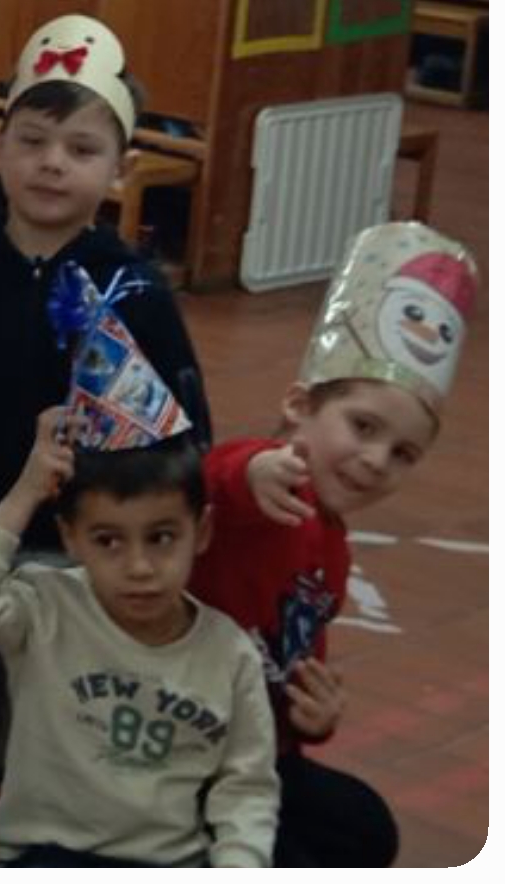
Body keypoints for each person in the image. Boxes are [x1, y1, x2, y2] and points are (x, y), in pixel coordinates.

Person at [0, 15, 212, 769]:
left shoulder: (136, 290)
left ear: (121, 167)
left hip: (79, 553)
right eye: (33, 141)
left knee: (50, 731)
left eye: (81, 149)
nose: (52, 164)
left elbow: (182, 434)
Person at [191, 219, 478, 867]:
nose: (376, 460)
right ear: (300, 405)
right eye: (363, 426)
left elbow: (296, 659)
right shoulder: (269, 483)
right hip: (182, 745)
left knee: (365, 828)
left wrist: (313, 718)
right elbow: (209, 484)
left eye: (402, 453)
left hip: (258, 751)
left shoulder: (333, 546)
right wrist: (252, 470)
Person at [0, 413, 277, 867]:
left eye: (161, 537)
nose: (139, 567)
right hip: (45, 856)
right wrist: (27, 490)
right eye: (108, 541)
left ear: (201, 532)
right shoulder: (48, 606)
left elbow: (246, 787)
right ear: (70, 537)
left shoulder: (229, 654)